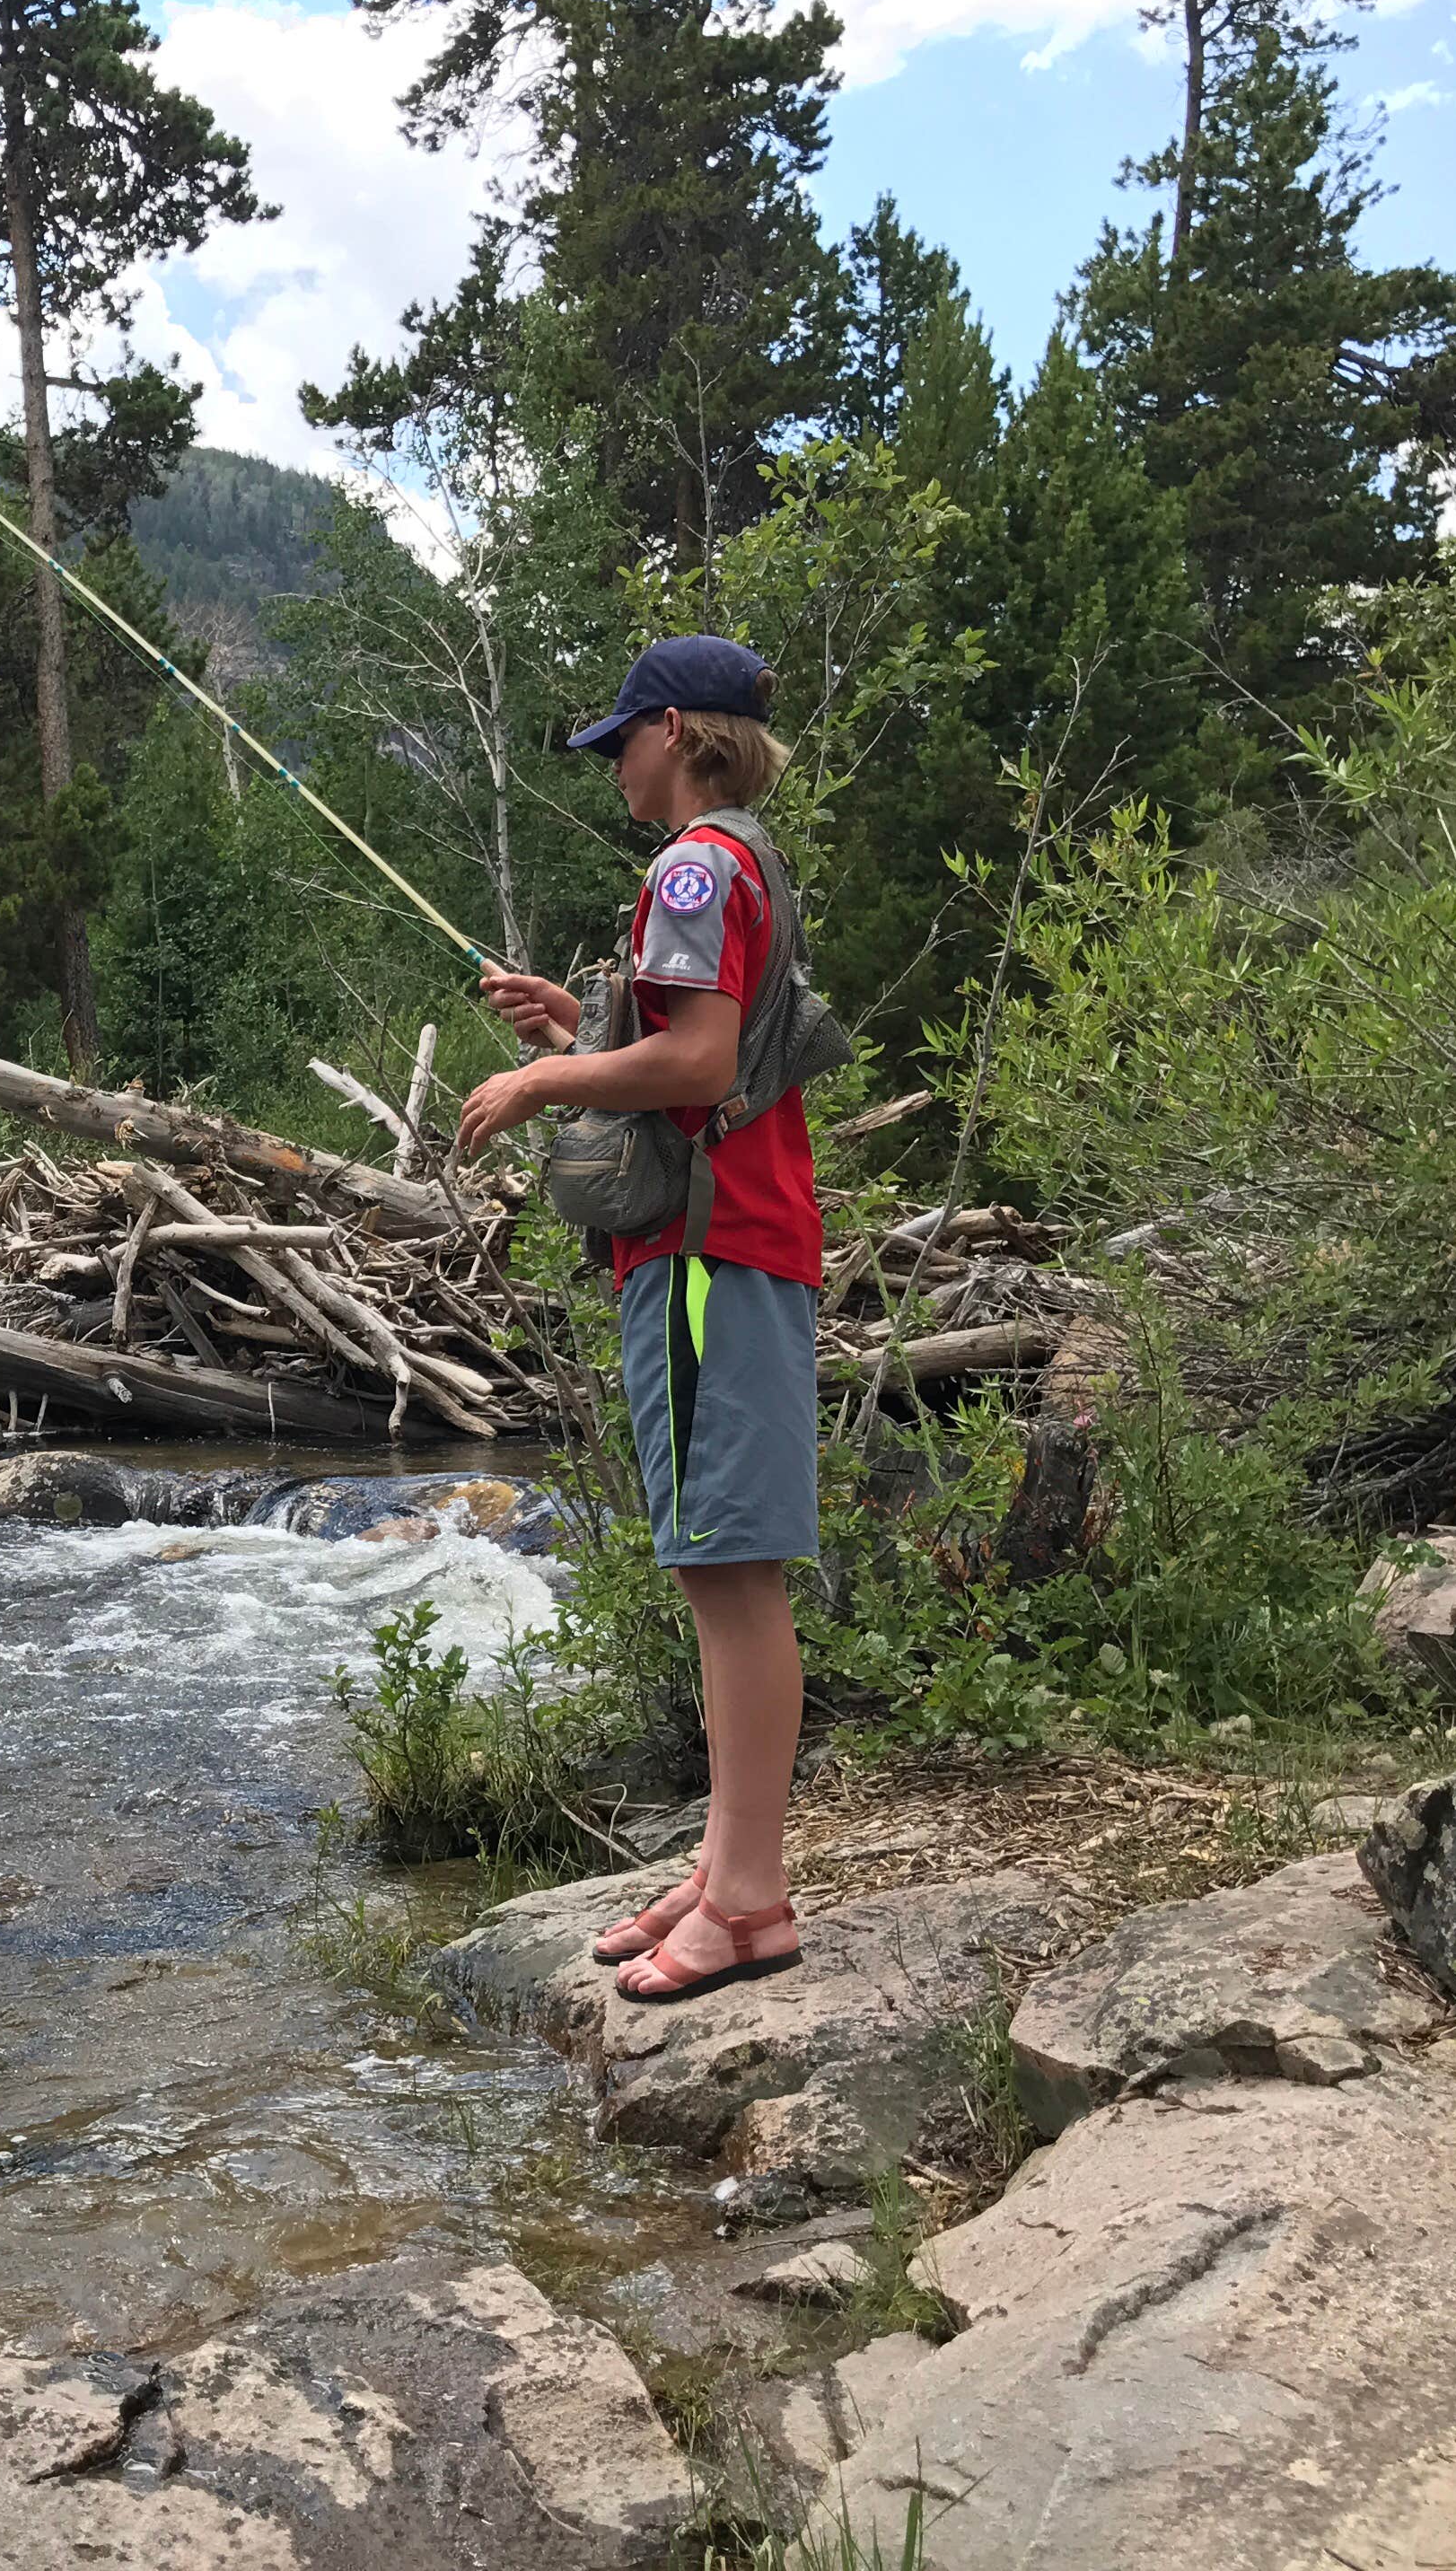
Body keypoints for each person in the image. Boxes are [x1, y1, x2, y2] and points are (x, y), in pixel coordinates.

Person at [454, 635, 823, 2005]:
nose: (614, 763)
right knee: (718, 1567)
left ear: (679, 730)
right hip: (730, 1243)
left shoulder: (688, 864)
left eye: (623, 740)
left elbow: (701, 1060)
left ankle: (748, 1899)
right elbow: (688, 1047)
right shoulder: (741, 858)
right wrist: (576, 1021)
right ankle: (730, 1863)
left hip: (708, 1255)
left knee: (730, 1570)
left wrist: (543, 1084)